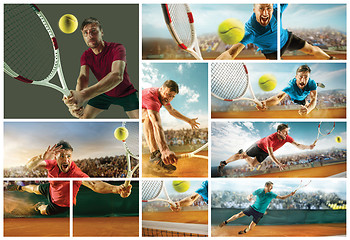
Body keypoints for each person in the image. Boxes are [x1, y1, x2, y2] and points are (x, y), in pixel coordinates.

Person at [7, 140, 132, 215]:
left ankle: (38, 206)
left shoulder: (75, 173)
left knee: (43, 210)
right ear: (55, 157)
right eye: (61, 156)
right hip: (51, 188)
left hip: (61, 205)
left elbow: (95, 185)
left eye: (68, 156)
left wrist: (116, 189)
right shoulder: (52, 164)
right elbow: (29, 166)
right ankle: (20, 188)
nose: (66, 159)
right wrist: (40, 158)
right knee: (35, 189)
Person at [63, 17, 139, 119]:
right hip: (104, 92)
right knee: (83, 119)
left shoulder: (117, 48)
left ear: (101, 32)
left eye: (93, 31)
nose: (89, 35)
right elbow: (83, 78)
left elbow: (117, 76)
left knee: (140, 122)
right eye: (85, 33)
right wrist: (77, 103)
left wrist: (83, 95)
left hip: (126, 93)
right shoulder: (85, 55)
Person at [216, 4, 332, 60]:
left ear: (272, 8)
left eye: (268, 8)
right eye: (261, 8)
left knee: (312, 49)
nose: (265, 13)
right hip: (271, 52)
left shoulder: (277, 9)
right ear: (254, 9)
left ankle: (331, 59)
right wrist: (216, 65)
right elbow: (231, 53)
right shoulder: (250, 31)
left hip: (287, 39)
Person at [142, 80, 199, 171]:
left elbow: (172, 110)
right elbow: (157, 125)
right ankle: (154, 156)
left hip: (141, 108)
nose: (169, 99)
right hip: (134, 109)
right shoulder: (152, 99)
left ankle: (155, 157)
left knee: (149, 117)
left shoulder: (162, 97)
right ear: (161, 89)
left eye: (173, 96)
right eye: (168, 95)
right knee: (150, 118)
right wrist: (164, 150)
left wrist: (188, 120)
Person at [218, 123, 315, 174]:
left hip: (265, 153)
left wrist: (308, 147)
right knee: (242, 156)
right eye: (284, 132)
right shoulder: (270, 139)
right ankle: (224, 162)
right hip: (259, 146)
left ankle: (242, 152)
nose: (287, 134)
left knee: (252, 164)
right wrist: (279, 164)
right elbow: (271, 154)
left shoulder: (287, 138)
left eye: (287, 132)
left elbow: (298, 145)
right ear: (279, 132)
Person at [219, 181, 296, 234]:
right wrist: (248, 197)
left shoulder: (271, 194)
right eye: (270, 187)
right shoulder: (259, 190)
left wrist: (290, 194)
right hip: (252, 208)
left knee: (251, 227)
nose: (271, 188)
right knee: (239, 215)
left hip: (260, 213)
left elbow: (282, 198)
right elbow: (250, 195)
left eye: (272, 187)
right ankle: (225, 222)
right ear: (266, 186)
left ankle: (244, 231)